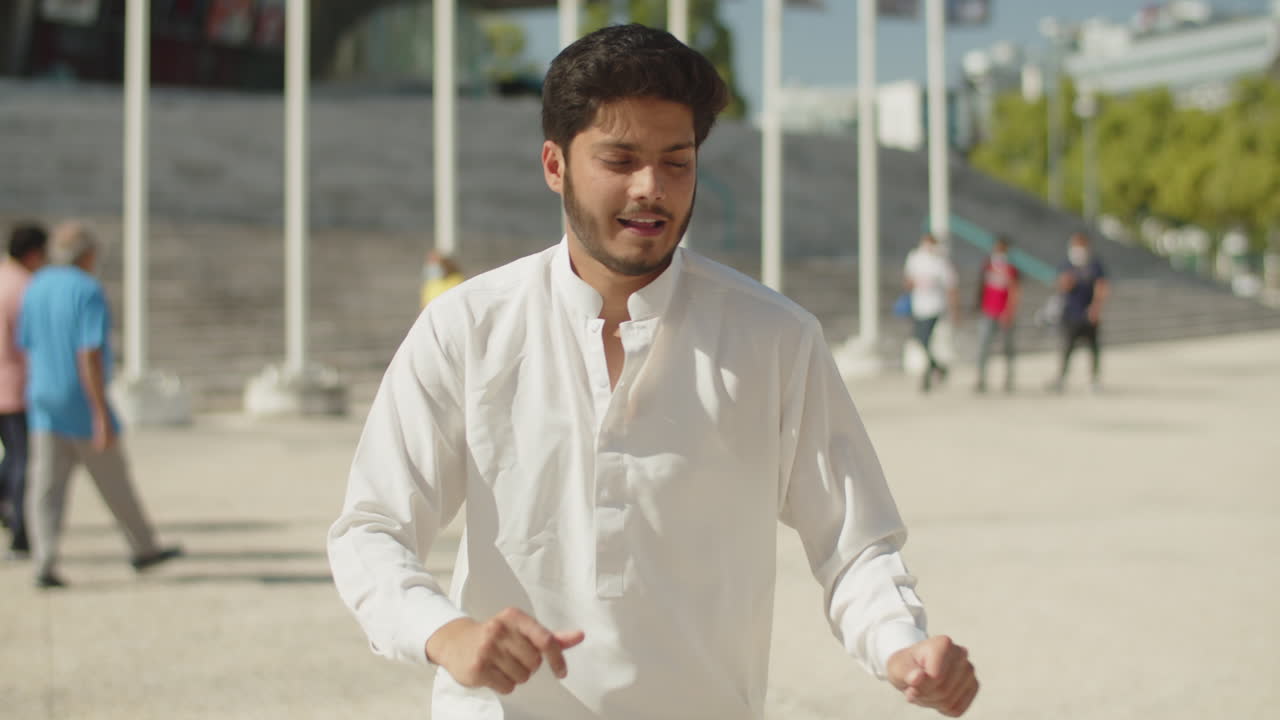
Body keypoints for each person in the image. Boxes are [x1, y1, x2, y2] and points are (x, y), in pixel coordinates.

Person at [328, 24, 978, 720]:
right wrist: (444, 631)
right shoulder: (468, 328)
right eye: (621, 158)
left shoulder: (775, 339)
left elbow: (853, 544)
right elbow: (371, 529)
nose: (651, 189)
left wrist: (900, 646)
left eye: (676, 161)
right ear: (555, 164)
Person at [19, 221, 181, 588]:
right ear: (87, 255)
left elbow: (26, 344)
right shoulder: (87, 290)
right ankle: (143, 547)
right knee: (115, 482)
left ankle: (43, 560)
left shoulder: (36, 286)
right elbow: (88, 353)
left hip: (43, 399)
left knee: (45, 489)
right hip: (79, 402)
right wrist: (101, 412)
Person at [0, 222, 48, 558]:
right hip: (15, 386)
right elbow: (32, 343)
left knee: (10, 458)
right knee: (21, 461)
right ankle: (20, 531)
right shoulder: (27, 288)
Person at [1051, 232, 1109, 393]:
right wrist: (1067, 281)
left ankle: (1094, 379)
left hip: (1089, 313)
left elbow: (1101, 285)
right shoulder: (1067, 264)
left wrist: (1096, 308)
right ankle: (1061, 378)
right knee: (1067, 347)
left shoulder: (1094, 264)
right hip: (1071, 313)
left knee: (1093, 348)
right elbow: (1061, 285)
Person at [903, 233, 959, 392]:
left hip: (934, 307)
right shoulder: (915, 258)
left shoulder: (940, 262)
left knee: (925, 339)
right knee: (921, 340)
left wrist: (954, 310)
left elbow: (951, 287)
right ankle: (938, 367)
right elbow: (908, 280)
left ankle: (926, 377)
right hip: (918, 306)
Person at [973, 235, 1020, 393]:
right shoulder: (988, 266)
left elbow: (1014, 290)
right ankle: (981, 379)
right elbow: (981, 287)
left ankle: (1009, 379)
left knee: (1008, 347)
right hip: (988, 310)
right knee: (984, 346)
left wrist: (1009, 310)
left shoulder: (1011, 268)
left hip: (1004, 312)